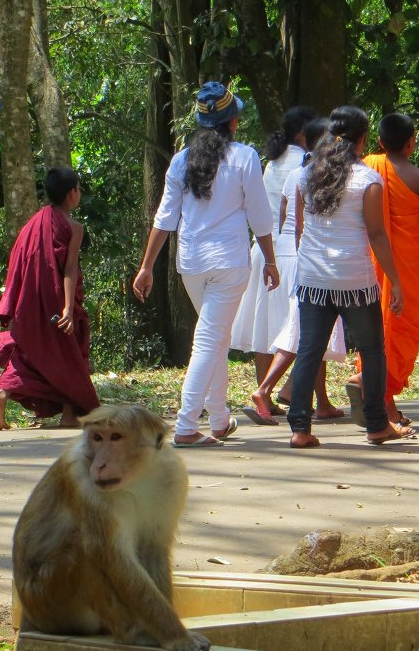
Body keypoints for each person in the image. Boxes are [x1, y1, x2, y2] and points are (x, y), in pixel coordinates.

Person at [133, 82, 279, 448]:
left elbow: (164, 218)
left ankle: (218, 417)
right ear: (232, 122)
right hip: (229, 262)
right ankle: (184, 426)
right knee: (209, 341)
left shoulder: (181, 160)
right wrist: (271, 260)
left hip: (191, 263)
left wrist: (147, 265)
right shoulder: (245, 157)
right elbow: (260, 216)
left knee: (216, 338)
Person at [287, 105, 416, 448]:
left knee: (309, 350)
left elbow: (299, 229)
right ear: (362, 140)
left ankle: (300, 429)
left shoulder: (307, 175)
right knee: (373, 350)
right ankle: (376, 425)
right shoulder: (368, 180)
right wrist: (396, 281)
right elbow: (376, 235)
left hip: (313, 279)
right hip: (355, 281)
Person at [352, 113, 419, 426]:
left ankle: (380, 400)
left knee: (378, 331)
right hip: (404, 268)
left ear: (381, 142)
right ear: (412, 143)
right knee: (400, 331)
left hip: (369, 263)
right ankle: (376, 393)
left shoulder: (365, 166)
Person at [0, 167, 100, 430]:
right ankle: (71, 412)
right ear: (72, 194)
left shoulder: (33, 223)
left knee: (30, 354)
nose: (79, 193)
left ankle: (2, 395)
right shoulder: (73, 227)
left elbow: (18, 261)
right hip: (57, 302)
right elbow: (69, 269)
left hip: (30, 302)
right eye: (78, 189)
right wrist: (69, 308)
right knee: (72, 350)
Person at [246, 117, 345, 425]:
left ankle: (315, 399)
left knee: (307, 330)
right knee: (305, 330)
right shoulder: (323, 176)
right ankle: (269, 389)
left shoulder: (293, 174)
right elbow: (308, 225)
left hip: (290, 255)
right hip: (309, 260)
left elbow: (284, 219)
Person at [231, 105, 317, 398]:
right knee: (304, 326)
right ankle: (291, 389)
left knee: (264, 327)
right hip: (292, 252)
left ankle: (263, 392)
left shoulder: (271, 162)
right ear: (305, 134)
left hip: (264, 252)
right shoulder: (306, 162)